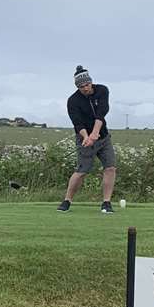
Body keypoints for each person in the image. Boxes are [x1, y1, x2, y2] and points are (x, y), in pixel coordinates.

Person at [59, 65, 117, 213]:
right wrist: (86, 136)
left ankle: (106, 203)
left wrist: (95, 134)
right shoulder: (73, 101)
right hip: (84, 139)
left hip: (103, 137)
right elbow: (77, 122)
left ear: (91, 82)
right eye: (81, 86)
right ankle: (67, 201)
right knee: (82, 171)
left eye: (87, 84)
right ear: (77, 87)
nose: (85, 88)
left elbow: (101, 113)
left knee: (110, 168)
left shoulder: (102, 90)